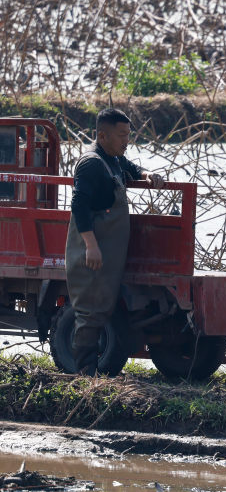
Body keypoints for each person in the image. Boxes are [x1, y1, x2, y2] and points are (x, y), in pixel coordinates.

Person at [66, 108, 165, 375]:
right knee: (89, 312)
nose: (126, 141)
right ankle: (84, 376)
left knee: (104, 308)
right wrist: (91, 245)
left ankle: (98, 371)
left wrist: (146, 175)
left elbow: (133, 169)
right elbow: (79, 204)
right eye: (121, 135)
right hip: (92, 255)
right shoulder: (92, 164)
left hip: (109, 258)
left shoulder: (114, 160)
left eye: (128, 135)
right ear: (103, 135)